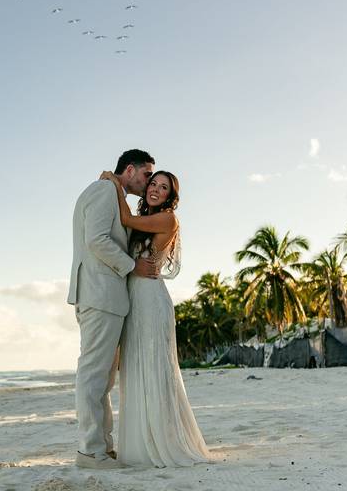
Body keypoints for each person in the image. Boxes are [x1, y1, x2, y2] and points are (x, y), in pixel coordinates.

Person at [99, 168, 212, 467]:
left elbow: (125, 219)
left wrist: (115, 184)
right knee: (136, 368)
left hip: (150, 300)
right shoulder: (147, 220)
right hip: (135, 298)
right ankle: (140, 443)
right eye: (154, 184)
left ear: (170, 197)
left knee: (153, 368)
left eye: (163, 188)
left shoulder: (167, 219)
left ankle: (162, 441)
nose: (156, 190)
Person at [67, 149, 160, 470]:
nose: (149, 181)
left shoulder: (111, 191)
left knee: (102, 379)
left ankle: (101, 448)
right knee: (93, 376)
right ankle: (90, 451)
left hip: (106, 296)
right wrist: (132, 265)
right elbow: (97, 240)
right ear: (130, 170)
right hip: (99, 293)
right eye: (147, 174)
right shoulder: (104, 190)